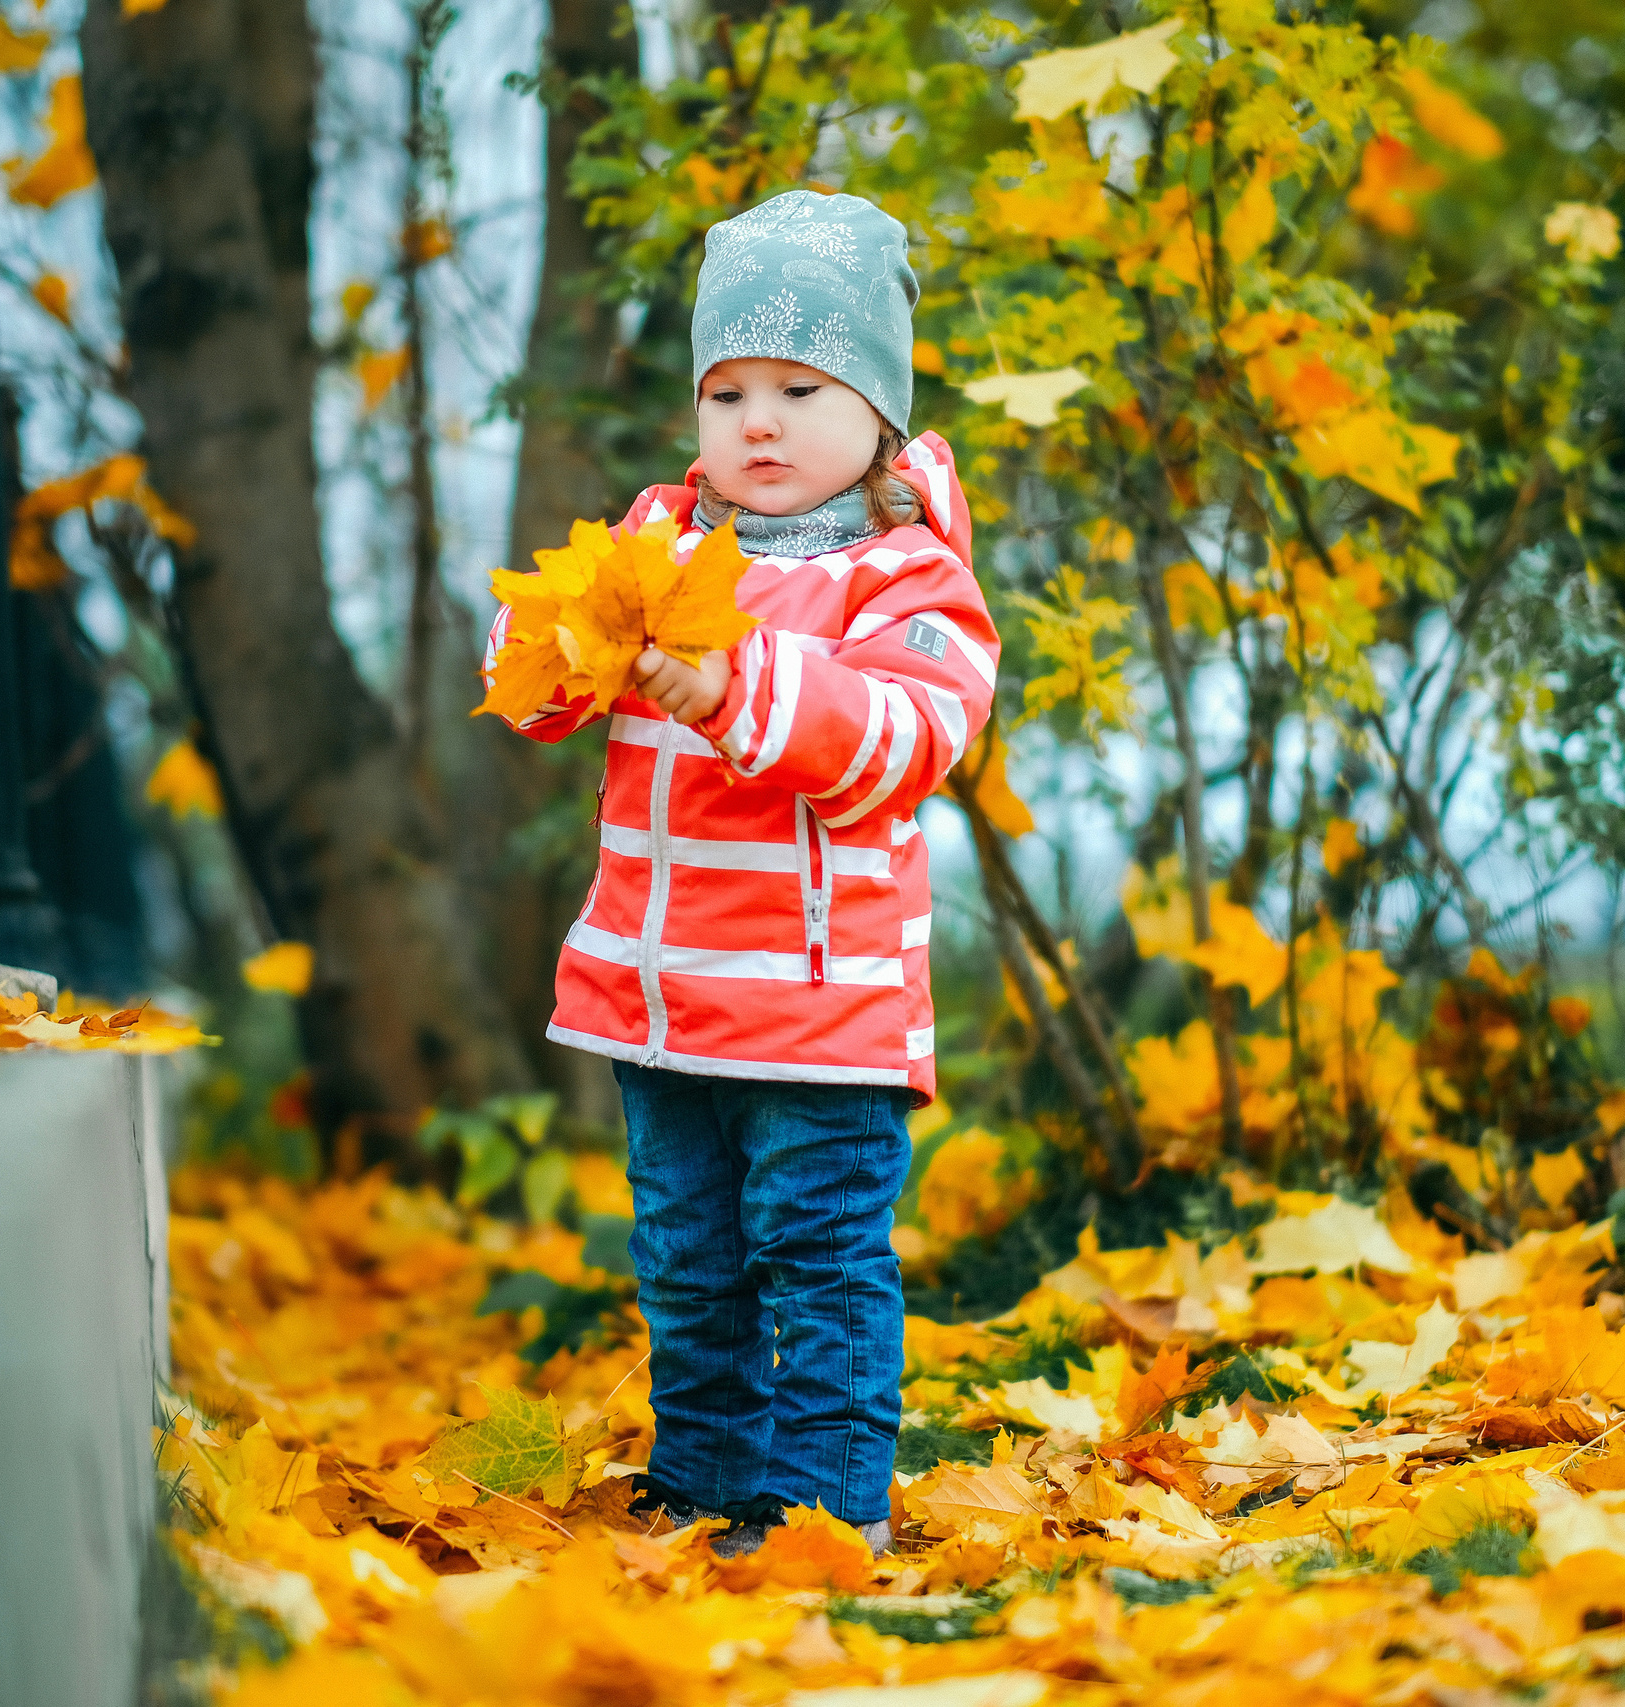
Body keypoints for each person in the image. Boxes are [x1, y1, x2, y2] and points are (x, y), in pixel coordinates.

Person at [487, 189, 997, 1557]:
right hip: (660, 1001)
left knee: (816, 1261)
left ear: (878, 412)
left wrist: (728, 685)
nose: (757, 423)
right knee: (690, 1263)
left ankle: (825, 1513)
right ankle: (706, 1479)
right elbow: (538, 697)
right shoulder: (657, 547)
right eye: (727, 393)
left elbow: (903, 739)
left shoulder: (909, 583)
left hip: (822, 1018)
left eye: (799, 387)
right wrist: (547, 641)